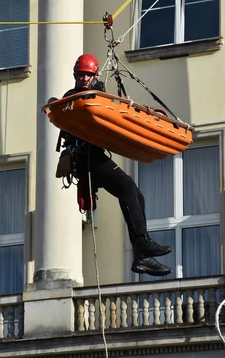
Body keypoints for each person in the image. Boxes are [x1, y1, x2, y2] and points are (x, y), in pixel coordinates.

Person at [55, 53, 173, 277]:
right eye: (81, 75)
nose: (85, 79)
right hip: (86, 158)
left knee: (136, 195)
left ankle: (141, 256)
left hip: (95, 156)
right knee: (127, 188)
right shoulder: (72, 98)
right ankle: (142, 245)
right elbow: (80, 110)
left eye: (89, 75)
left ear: (95, 75)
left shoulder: (96, 93)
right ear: (75, 75)